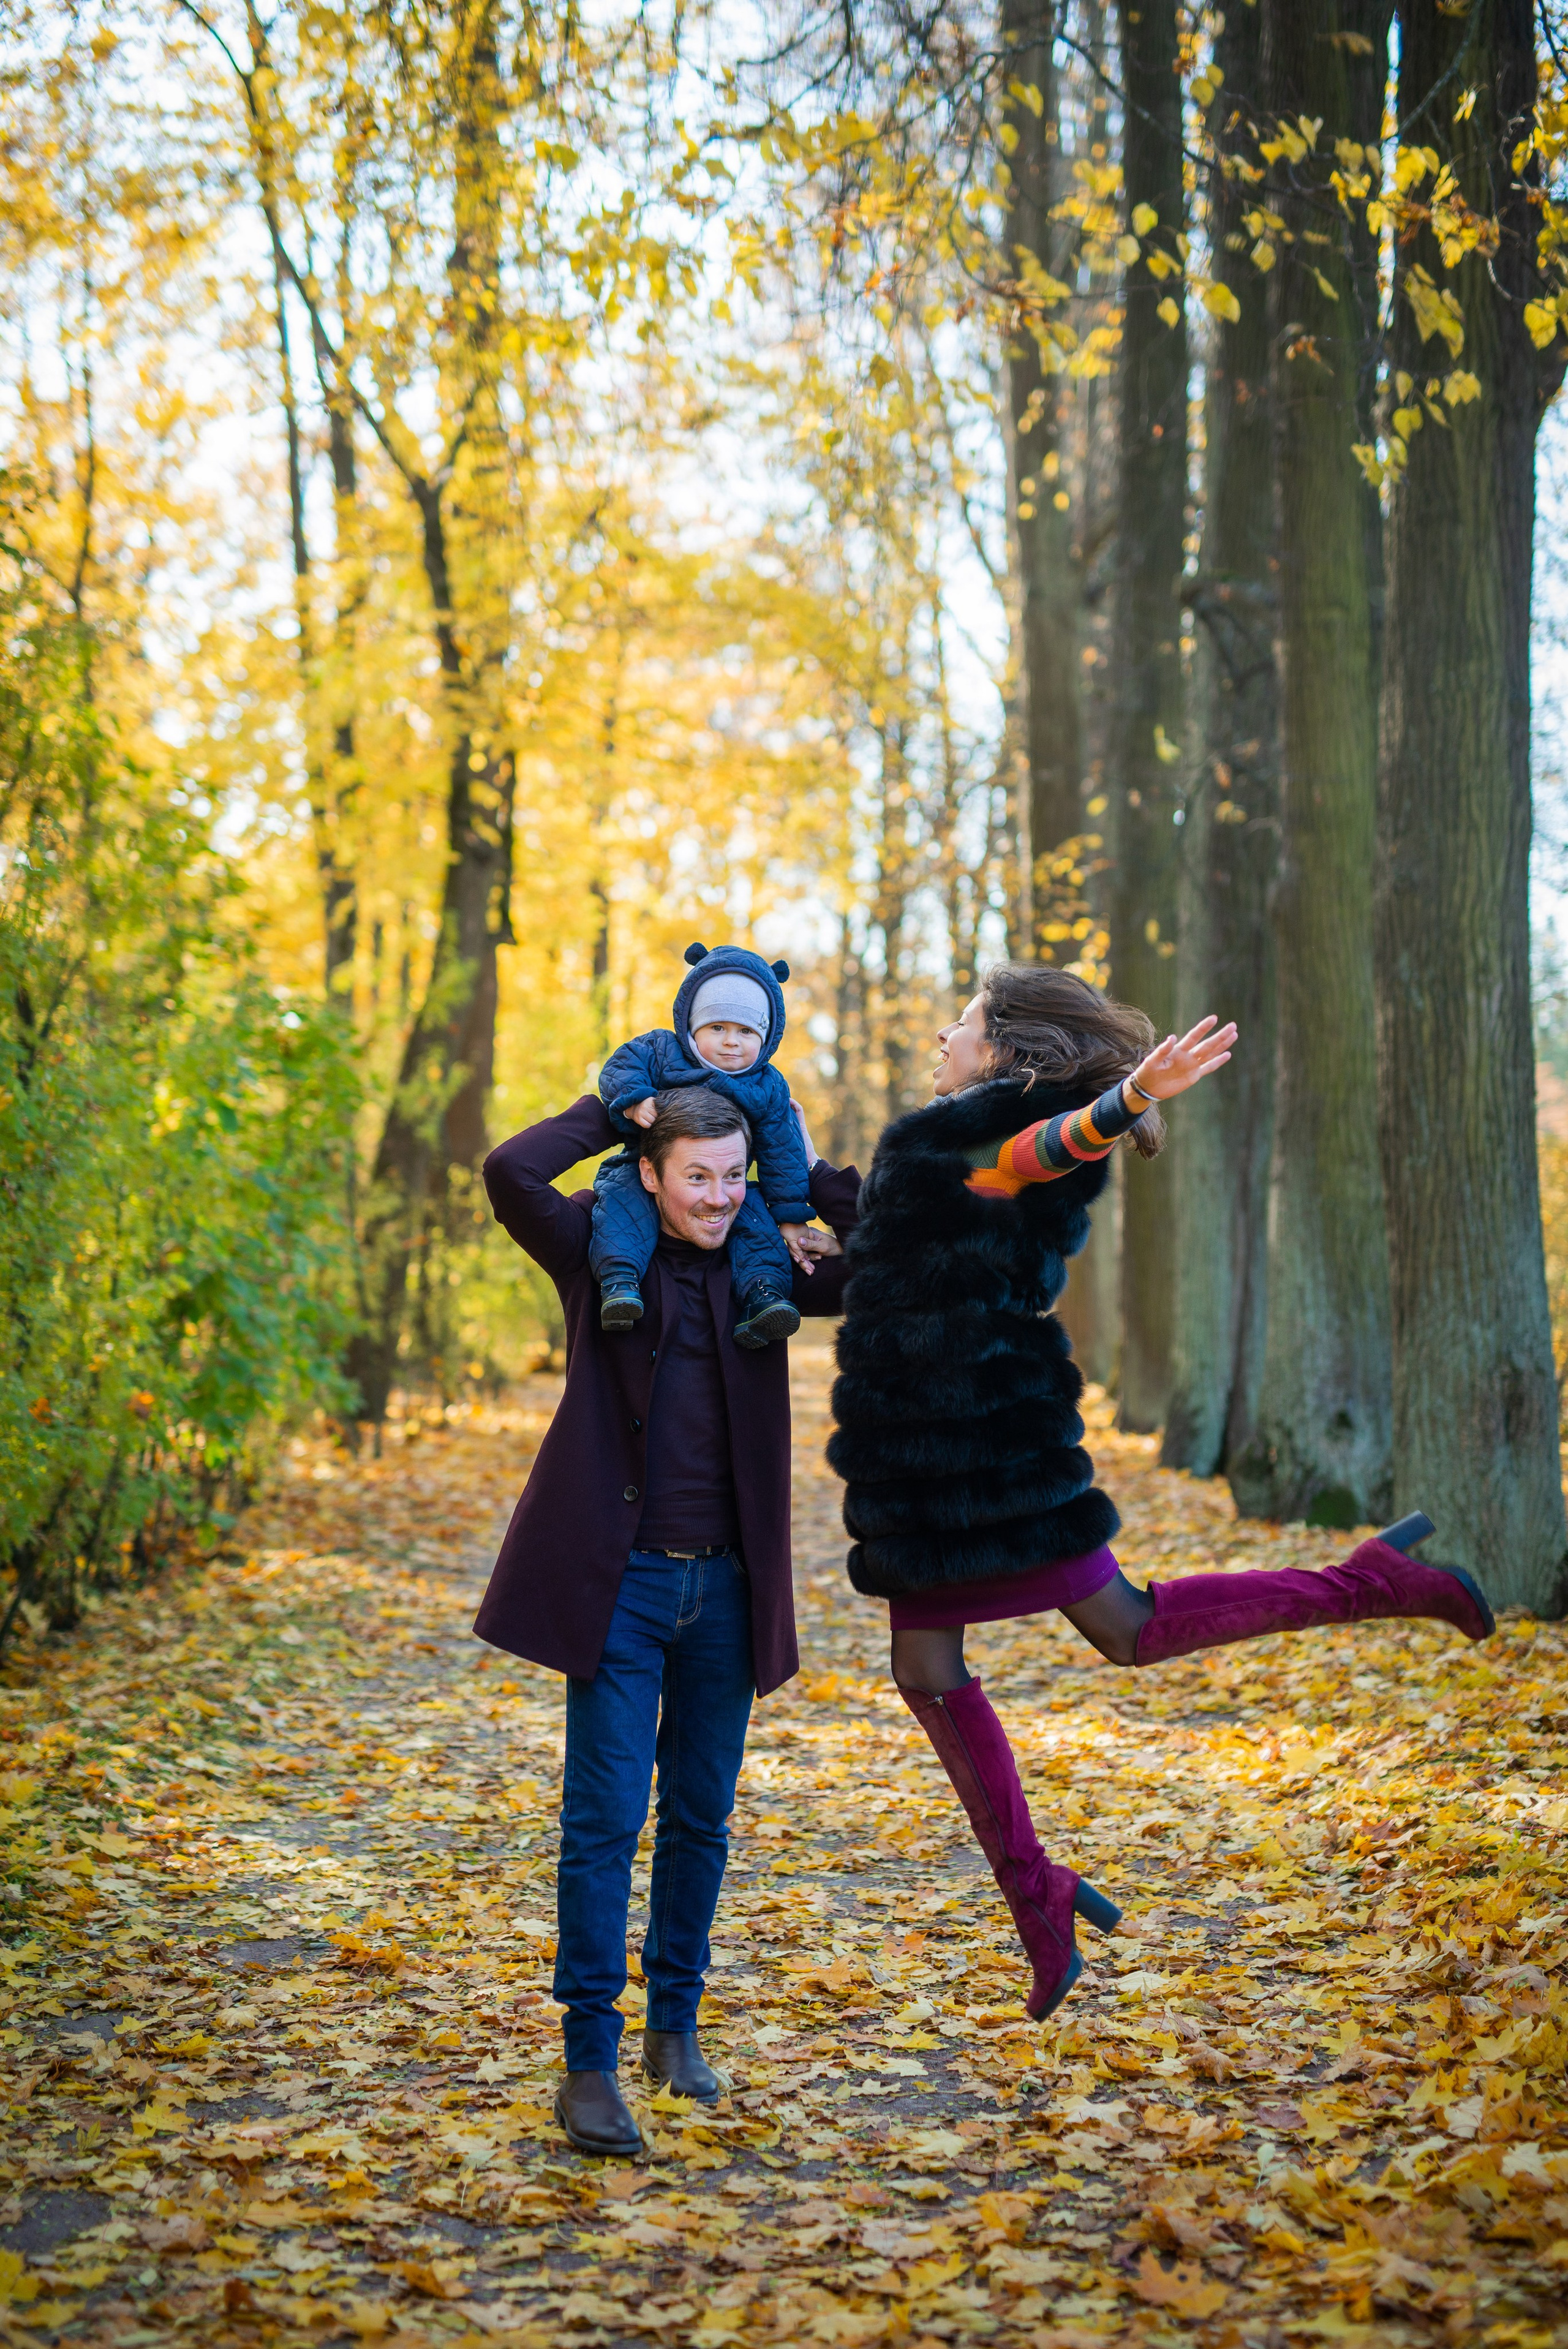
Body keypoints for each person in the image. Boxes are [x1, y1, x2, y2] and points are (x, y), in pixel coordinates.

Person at [827, 963, 1494, 2023]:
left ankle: (1371, 1583)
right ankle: (1037, 1896)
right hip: (920, 1471)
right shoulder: (934, 1151)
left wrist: (1125, 1104)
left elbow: (1036, 1152)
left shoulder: (1004, 1141)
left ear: (1006, 1050)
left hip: (990, 1455)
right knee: (927, 1664)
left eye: (959, 1024)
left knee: (1127, 1631)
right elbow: (900, 1250)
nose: (940, 1038)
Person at [475, 1085, 858, 2156]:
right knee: (602, 1823)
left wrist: (790, 1169)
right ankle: (589, 2061)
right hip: (622, 1587)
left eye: (732, 1177)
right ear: (652, 1172)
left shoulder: (769, 1258)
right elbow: (511, 1172)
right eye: (699, 1175)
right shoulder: (602, 1244)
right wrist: (614, 1105)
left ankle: (674, 2030)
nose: (719, 1197)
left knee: (701, 1818)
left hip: (729, 1590)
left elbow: (883, 1258)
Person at [592, 942, 816, 1347]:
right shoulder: (663, 1050)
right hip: (647, 1165)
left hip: (729, 1181)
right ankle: (620, 1280)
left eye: (746, 1031)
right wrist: (635, 1098)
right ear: (692, 1025)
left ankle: (763, 1296)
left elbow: (782, 1153)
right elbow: (621, 1065)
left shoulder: (767, 1085)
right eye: (718, 1028)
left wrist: (790, 1214)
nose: (731, 1041)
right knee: (621, 1204)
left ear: (766, 1037)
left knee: (757, 1226)